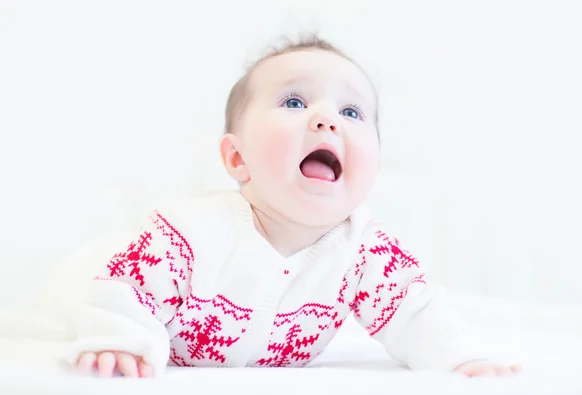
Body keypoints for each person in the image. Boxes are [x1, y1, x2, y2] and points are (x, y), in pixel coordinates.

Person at [63, 35, 521, 378]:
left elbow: (417, 312)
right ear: (238, 158)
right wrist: (118, 342)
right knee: (75, 282)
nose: (325, 119)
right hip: (101, 285)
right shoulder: (187, 233)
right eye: (295, 101)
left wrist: (463, 359)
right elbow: (127, 291)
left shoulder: (364, 251)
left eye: (352, 113)